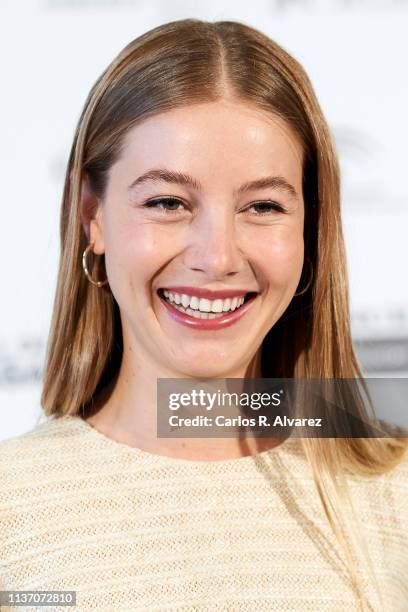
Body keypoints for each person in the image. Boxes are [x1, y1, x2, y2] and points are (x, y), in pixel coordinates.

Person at [0, 18, 407, 612]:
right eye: (167, 202)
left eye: (263, 205)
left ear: (310, 231)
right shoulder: (12, 512)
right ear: (92, 215)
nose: (217, 258)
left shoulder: (395, 496)